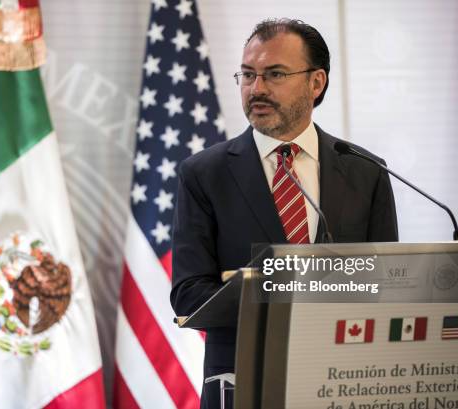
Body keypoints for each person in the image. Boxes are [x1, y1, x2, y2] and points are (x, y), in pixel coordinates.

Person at [170, 18, 398, 408]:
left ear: (316, 82)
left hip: (347, 383)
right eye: (247, 74)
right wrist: (292, 290)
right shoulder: (204, 174)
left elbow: (388, 284)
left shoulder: (365, 170)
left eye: (274, 74)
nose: (256, 88)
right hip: (244, 386)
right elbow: (189, 296)